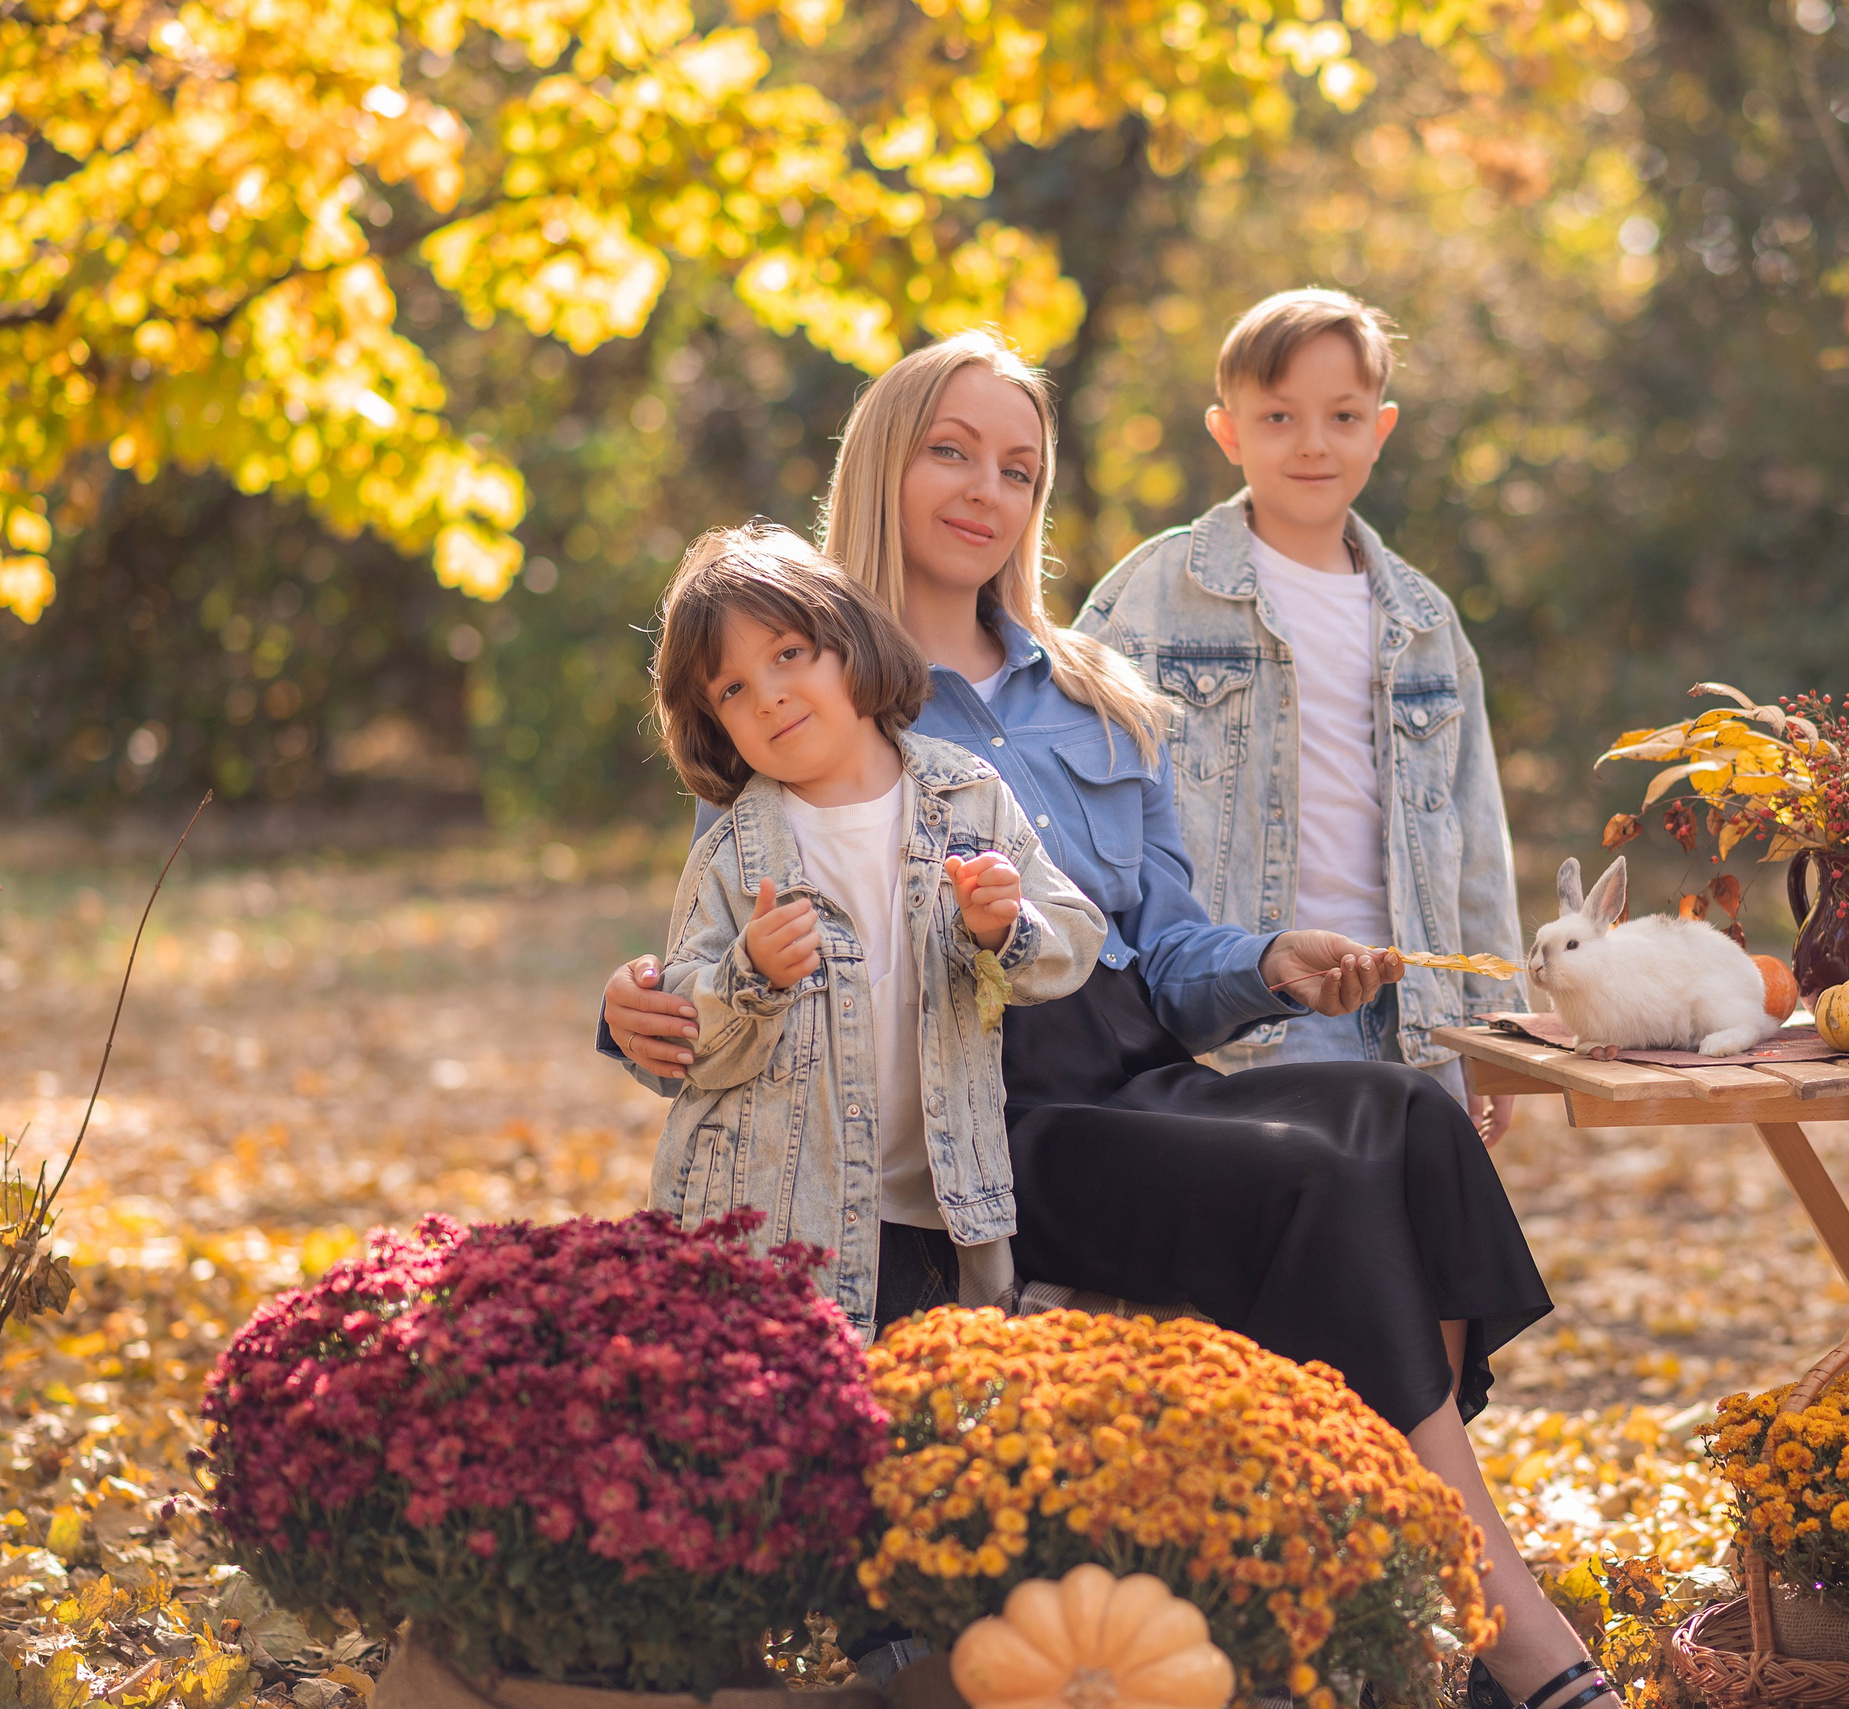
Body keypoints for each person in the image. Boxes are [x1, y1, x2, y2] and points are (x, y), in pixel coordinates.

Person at [603, 332, 1620, 1709]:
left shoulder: (1093, 689)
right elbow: (727, 926)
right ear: (883, 463)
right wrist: (630, 1009)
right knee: (1315, 1178)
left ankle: (1408, 1554)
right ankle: (1499, 1618)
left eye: (1019, 468)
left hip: (1137, 1059)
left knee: (1404, 1120)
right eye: (951, 451)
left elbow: (1169, 946)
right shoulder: (806, 682)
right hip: (993, 1112)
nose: (988, 489)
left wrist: (1272, 961)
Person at [1075, 289, 1526, 1144]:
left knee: (1407, 1227)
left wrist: (1495, 1030)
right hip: (1241, 1021)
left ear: (1380, 430)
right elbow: (1079, 805)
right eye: (1279, 416)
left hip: (1415, 1013)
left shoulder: (1424, 620)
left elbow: (1474, 836)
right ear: (1229, 432)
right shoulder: (1153, 595)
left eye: (1343, 416)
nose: (1314, 442)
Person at [633, 521, 1104, 1336]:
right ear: (714, 723)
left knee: (935, 1409)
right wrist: (749, 975)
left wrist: (1003, 926)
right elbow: (683, 1044)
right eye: (732, 689)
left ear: (849, 641)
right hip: (775, 1228)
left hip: (943, 1214)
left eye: (788, 654)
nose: (768, 695)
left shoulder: (968, 797)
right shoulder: (734, 855)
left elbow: (1072, 937)